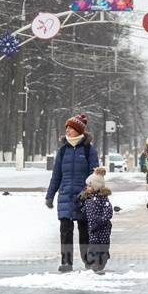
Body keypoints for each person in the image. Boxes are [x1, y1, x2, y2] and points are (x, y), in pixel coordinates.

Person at [45, 113, 100, 272]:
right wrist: (50, 195)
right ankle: (66, 262)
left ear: (79, 130)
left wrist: (89, 192)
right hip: (65, 196)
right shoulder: (62, 151)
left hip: (84, 197)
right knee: (65, 230)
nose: (67, 130)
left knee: (84, 230)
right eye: (66, 128)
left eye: (70, 127)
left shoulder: (89, 150)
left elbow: (94, 174)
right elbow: (56, 175)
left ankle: (88, 261)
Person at [78, 167, 113, 274]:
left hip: (103, 227)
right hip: (92, 228)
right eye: (87, 185)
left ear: (96, 186)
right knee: (92, 246)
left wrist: (100, 222)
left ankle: (102, 262)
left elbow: (108, 212)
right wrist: (81, 202)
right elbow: (84, 210)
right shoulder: (88, 198)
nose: (87, 188)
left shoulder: (103, 198)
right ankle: (93, 263)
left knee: (103, 246)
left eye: (89, 186)